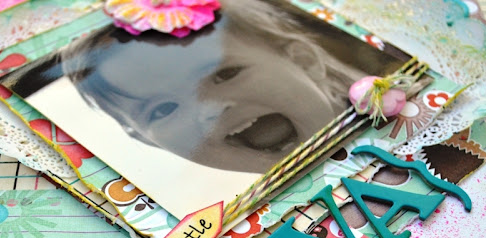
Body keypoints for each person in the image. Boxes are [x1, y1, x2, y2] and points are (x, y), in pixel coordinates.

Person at [59, 0, 400, 173]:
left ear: (304, 60)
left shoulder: (400, 104)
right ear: (147, 140)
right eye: (163, 109)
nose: (209, 107)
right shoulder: (260, 225)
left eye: (225, 74)